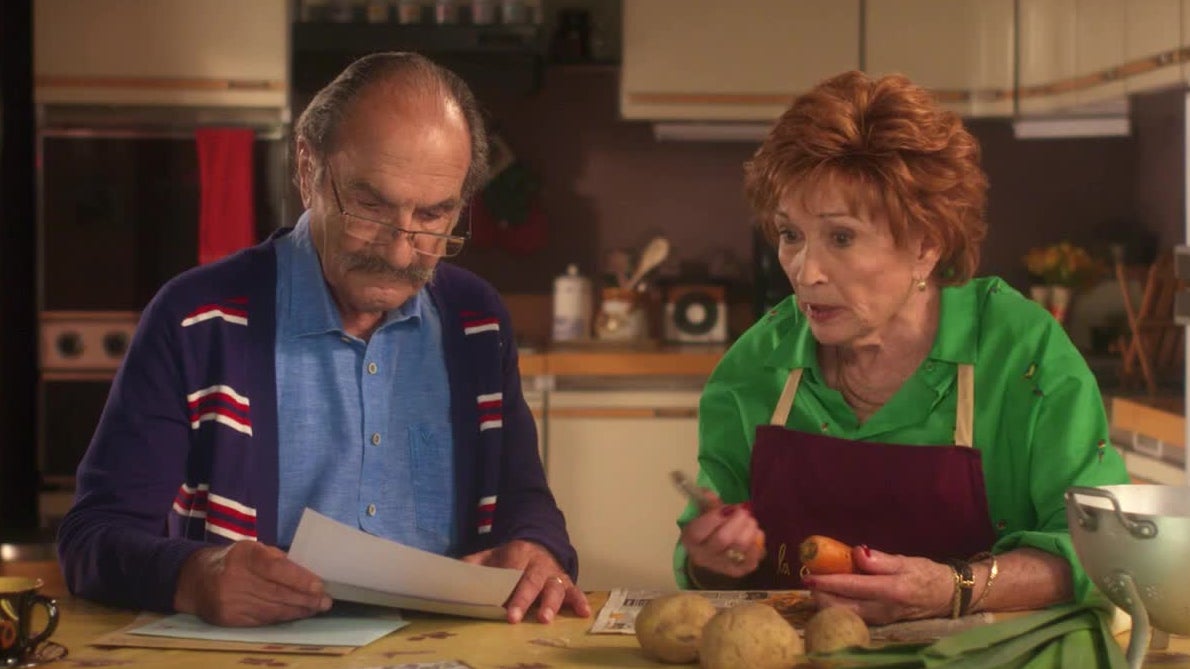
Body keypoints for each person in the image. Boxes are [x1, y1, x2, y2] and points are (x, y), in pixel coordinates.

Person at [57, 52, 590, 627]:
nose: (400, 252)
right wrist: (194, 574)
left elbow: (524, 503)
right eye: (370, 205)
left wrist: (537, 548)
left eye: (434, 215)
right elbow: (92, 539)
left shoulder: (476, 321)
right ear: (307, 168)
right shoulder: (199, 319)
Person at [675, 71, 1130, 625]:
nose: (804, 271)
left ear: (927, 244)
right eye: (790, 234)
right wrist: (713, 557)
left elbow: (1102, 550)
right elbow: (709, 566)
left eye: (840, 237)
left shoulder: (1022, 354)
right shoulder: (754, 368)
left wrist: (956, 587)